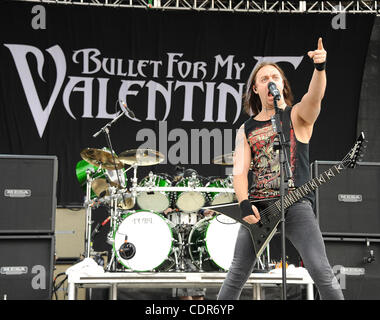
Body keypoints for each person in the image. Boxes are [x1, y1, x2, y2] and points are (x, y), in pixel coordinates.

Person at [217, 38, 344, 300]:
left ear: (282, 84)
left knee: (321, 270)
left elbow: (315, 96)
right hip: (260, 206)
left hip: (296, 204)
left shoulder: (296, 116)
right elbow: (239, 172)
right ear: (255, 88)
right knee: (237, 273)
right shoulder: (247, 128)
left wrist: (319, 68)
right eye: (264, 78)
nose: (270, 81)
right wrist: (243, 204)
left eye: (275, 76)